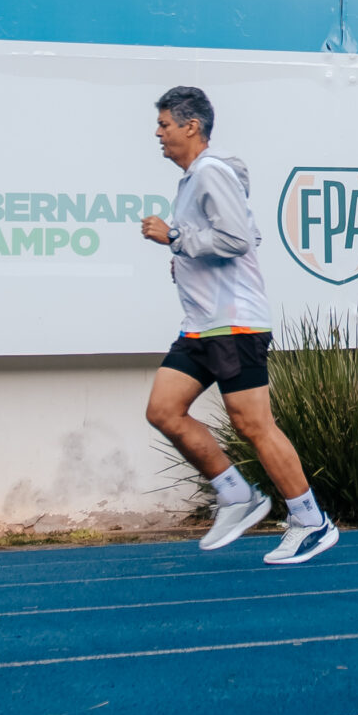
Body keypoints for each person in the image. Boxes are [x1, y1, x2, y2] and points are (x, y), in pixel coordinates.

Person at [141, 84, 338, 564]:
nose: (158, 133)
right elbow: (241, 234)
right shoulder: (194, 179)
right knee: (164, 411)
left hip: (234, 326)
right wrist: (183, 256)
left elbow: (235, 240)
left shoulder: (210, 172)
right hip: (201, 326)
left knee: (254, 424)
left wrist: (175, 238)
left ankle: (311, 521)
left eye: (165, 124)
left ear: (192, 127)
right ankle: (236, 495)